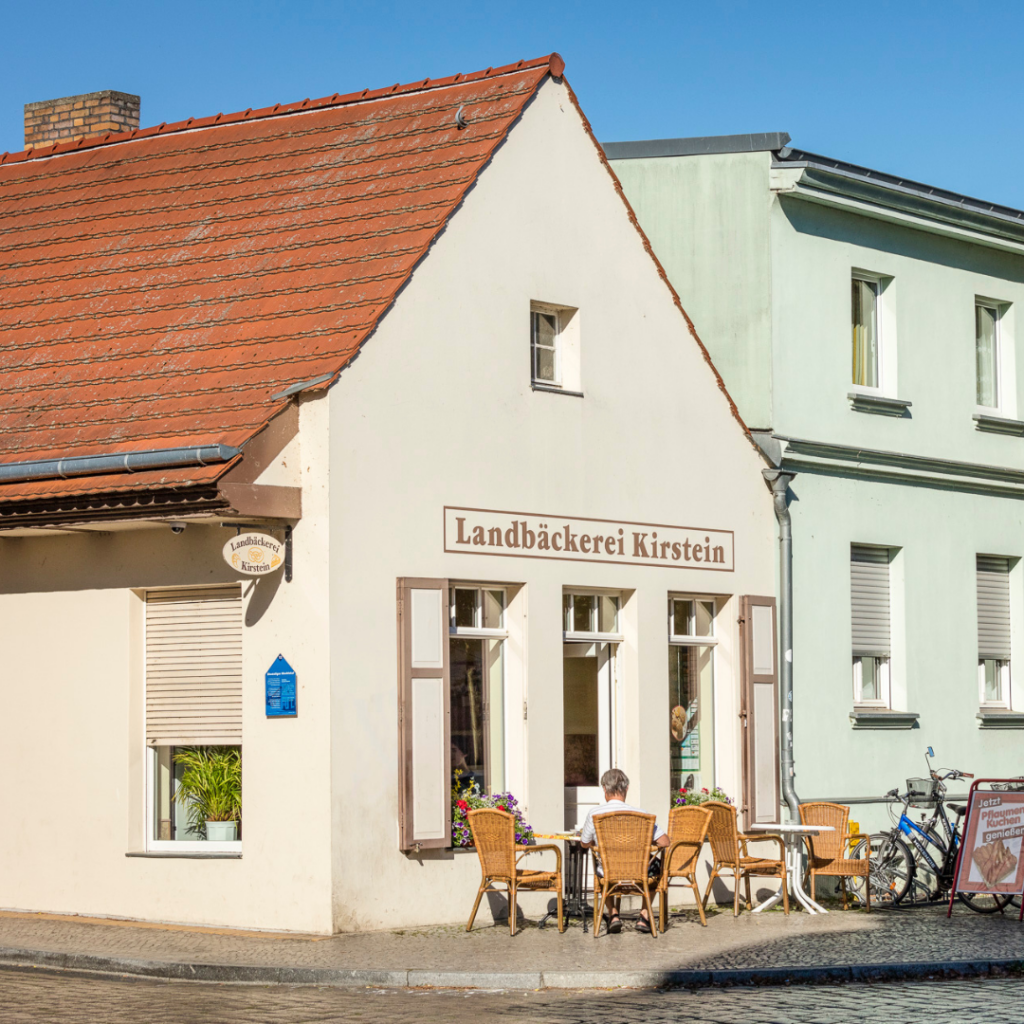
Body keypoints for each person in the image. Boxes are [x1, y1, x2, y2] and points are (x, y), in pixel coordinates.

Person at [579, 768, 669, 933]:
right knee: (658, 866)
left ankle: (613, 914)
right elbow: (665, 842)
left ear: (605, 790)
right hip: (639, 872)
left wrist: (595, 842)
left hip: (607, 872)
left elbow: (584, 843)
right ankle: (644, 916)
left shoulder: (595, 813)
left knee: (603, 868)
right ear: (626, 789)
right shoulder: (642, 814)